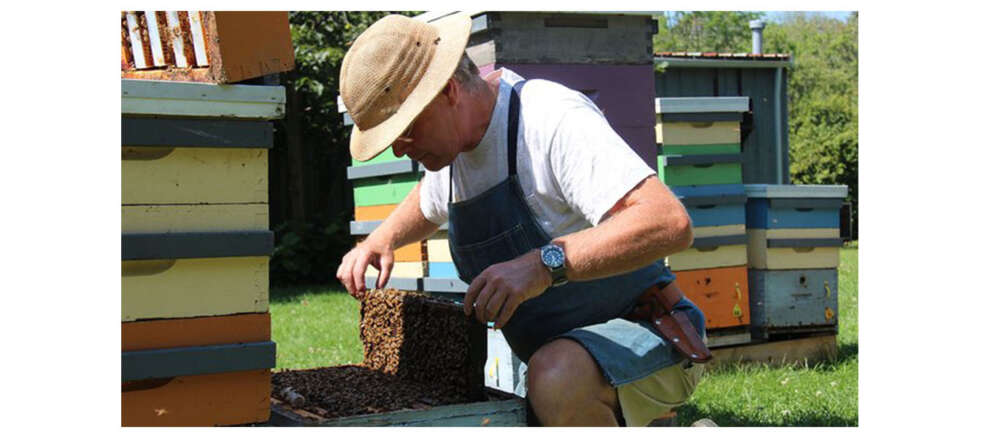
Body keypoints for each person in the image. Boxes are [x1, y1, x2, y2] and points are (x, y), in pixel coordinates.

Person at [336, 13, 711, 427]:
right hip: (556, 355)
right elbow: (428, 198)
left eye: (404, 131)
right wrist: (382, 238)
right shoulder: (454, 152)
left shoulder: (549, 118)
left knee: (556, 379)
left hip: (649, 332)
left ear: (447, 91)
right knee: (548, 376)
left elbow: (668, 222)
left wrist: (542, 265)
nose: (398, 151)